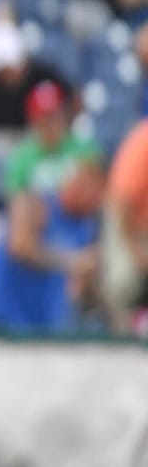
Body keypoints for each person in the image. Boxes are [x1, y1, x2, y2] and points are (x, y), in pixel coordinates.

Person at [0, 83, 104, 333]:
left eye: (56, 116)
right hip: (7, 313)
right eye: (45, 119)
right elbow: (19, 241)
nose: (52, 125)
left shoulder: (84, 150)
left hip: (47, 309)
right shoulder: (26, 166)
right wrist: (73, 262)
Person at [0, 20, 71, 142]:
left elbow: (70, 101)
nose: (11, 75)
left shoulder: (44, 76)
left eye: (14, 67)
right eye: (4, 70)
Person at [103, 117, 148, 334]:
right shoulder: (143, 143)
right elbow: (122, 207)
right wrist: (138, 255)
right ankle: (122, 336)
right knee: (123, 284)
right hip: (128, 224)